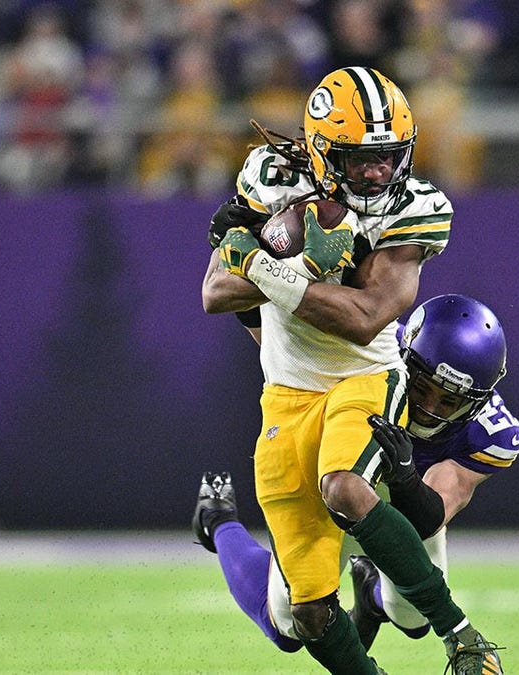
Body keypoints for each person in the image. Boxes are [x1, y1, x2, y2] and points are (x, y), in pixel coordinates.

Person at [199, 66, 503, 675]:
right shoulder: (273, 178)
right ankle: (219, 526)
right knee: (300, 618)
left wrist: (270, 268)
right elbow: (213, 291)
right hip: (287, 389)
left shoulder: (417, 205)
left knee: (345, 487)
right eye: (360, 159)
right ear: (319, 150)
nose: (376, 173)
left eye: (388, 157)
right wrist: (282, 269)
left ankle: (462, 635)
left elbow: (366, 318)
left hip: (363, 374)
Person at [192, 295, 519, 662]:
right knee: (290, 625)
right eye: (422, 387)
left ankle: (371, 596)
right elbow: (283, 348)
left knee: (413, 618)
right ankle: (217, 520)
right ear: (404, 357)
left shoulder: (493, 433)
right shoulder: (370, 347)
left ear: (477, 402)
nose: (429, 409)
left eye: (449, 402)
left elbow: (432, 515)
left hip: (408, 502)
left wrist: (406, 478)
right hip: (334, 482)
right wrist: (256, 297)